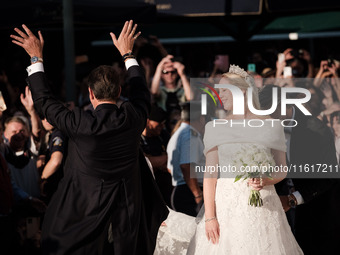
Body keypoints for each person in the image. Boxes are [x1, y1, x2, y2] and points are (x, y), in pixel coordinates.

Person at [11, 21, 168, 255]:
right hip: (127, 223)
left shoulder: (79, 123)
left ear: (90, 94)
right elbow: (141, 92)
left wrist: (36, 58)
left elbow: (44, 103)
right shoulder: (134, 117)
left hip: (82, 223)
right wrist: (127, 53)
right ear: (119, 92)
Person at [187, 65, 303, 254]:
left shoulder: (272, 125)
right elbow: (210, 175)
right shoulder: (216, 128)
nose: (220, 95)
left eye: (224, 90)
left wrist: (266, 180)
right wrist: (210, 218)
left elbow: (282, 169)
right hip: (227, 210)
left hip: (264, 208)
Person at [259, 84, 340, 255]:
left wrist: (292, 199)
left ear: (282, 104)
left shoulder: (316, 130)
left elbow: (329, 176)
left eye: (269, 111)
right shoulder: (266, 128)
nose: (266, 117)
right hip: (276, 211)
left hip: (314, 210)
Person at [167, 102, 205, 217]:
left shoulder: (179, 133)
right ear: (202, 119)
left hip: (184, 189)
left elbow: (170, 168)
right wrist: (197, 194)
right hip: (190, 193)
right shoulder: (190, 135)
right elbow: (186, 165)